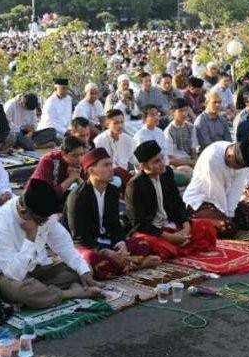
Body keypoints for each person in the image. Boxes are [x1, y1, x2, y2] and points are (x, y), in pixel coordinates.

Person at [0, 179, 103, 309]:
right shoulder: (1, 224)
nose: (44, 223)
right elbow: (14, 274)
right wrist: (30, 237)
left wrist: (84, 271)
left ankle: (45, 293)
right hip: (8, 275)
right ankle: (70, 293)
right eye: (41, 221)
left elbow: (63, 243)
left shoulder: (42, 216)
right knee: (22, 292)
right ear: (24, 211)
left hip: (37, 267)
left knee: (81, 267)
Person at [65, 148, 160, 280]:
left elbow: (115, 225)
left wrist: (121, 245)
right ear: (91, 170)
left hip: (108, 242)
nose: (111, 169)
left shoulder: (112, 191)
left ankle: (123, 264)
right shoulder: (77, 197)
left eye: (111, 164)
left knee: (142, 243)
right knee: (91, 259)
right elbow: (79, 238)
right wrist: (106, 252)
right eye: (106, 165)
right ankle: (137, 265)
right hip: (87, 245)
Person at [124, 140, 217, 260]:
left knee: (206, 226)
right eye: (156, 161)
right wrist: (170, 237)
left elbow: (177, 203)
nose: (162, 163)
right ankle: (180, 246)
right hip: (153, 231)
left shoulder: (166, 173)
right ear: (143, 166)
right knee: (159, 248)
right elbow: (138, 223)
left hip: (171, 225)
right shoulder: (135, 185)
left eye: (162, 159)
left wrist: (186, 227)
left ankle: (180, 245)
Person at [182, 139, 249, 237]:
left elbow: (236, 188)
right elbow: (217, 193)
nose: (238, 169)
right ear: (229, 156)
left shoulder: (240, 155)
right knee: (227, 227)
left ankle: (224, 223)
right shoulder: (212, 158)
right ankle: (194, 219)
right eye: (237, 166)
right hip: (201, 202)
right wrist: (227, 217)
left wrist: (231, 213)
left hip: (224, 199)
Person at [28, 135, 88, 202]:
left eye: (81, 154)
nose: (79, 159)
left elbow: (89, 192)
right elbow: (50, 195)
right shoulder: (49, 161)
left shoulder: (80, 162)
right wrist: (71, 178)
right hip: (38, 199)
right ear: (63, 154)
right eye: (74, 155)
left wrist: (78, 178)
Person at [93, 109, 137, 187]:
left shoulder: (128, 140)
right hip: (106, 178)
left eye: (122, 122)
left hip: (124, 177)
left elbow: (137, 162)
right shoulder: (99, 141)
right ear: (107, 124)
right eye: (115, 123)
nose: (120, 126)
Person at [37, 78, 73, 142]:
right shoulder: (50, 102)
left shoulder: (68, 99)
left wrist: (70, 129)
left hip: (64, 130)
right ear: (55, 89)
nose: (66, 91)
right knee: (52, 133)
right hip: (50, 130)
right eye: (63, 88)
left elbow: (68, 117)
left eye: (67, 88)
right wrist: (66, 131)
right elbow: (52, 123)